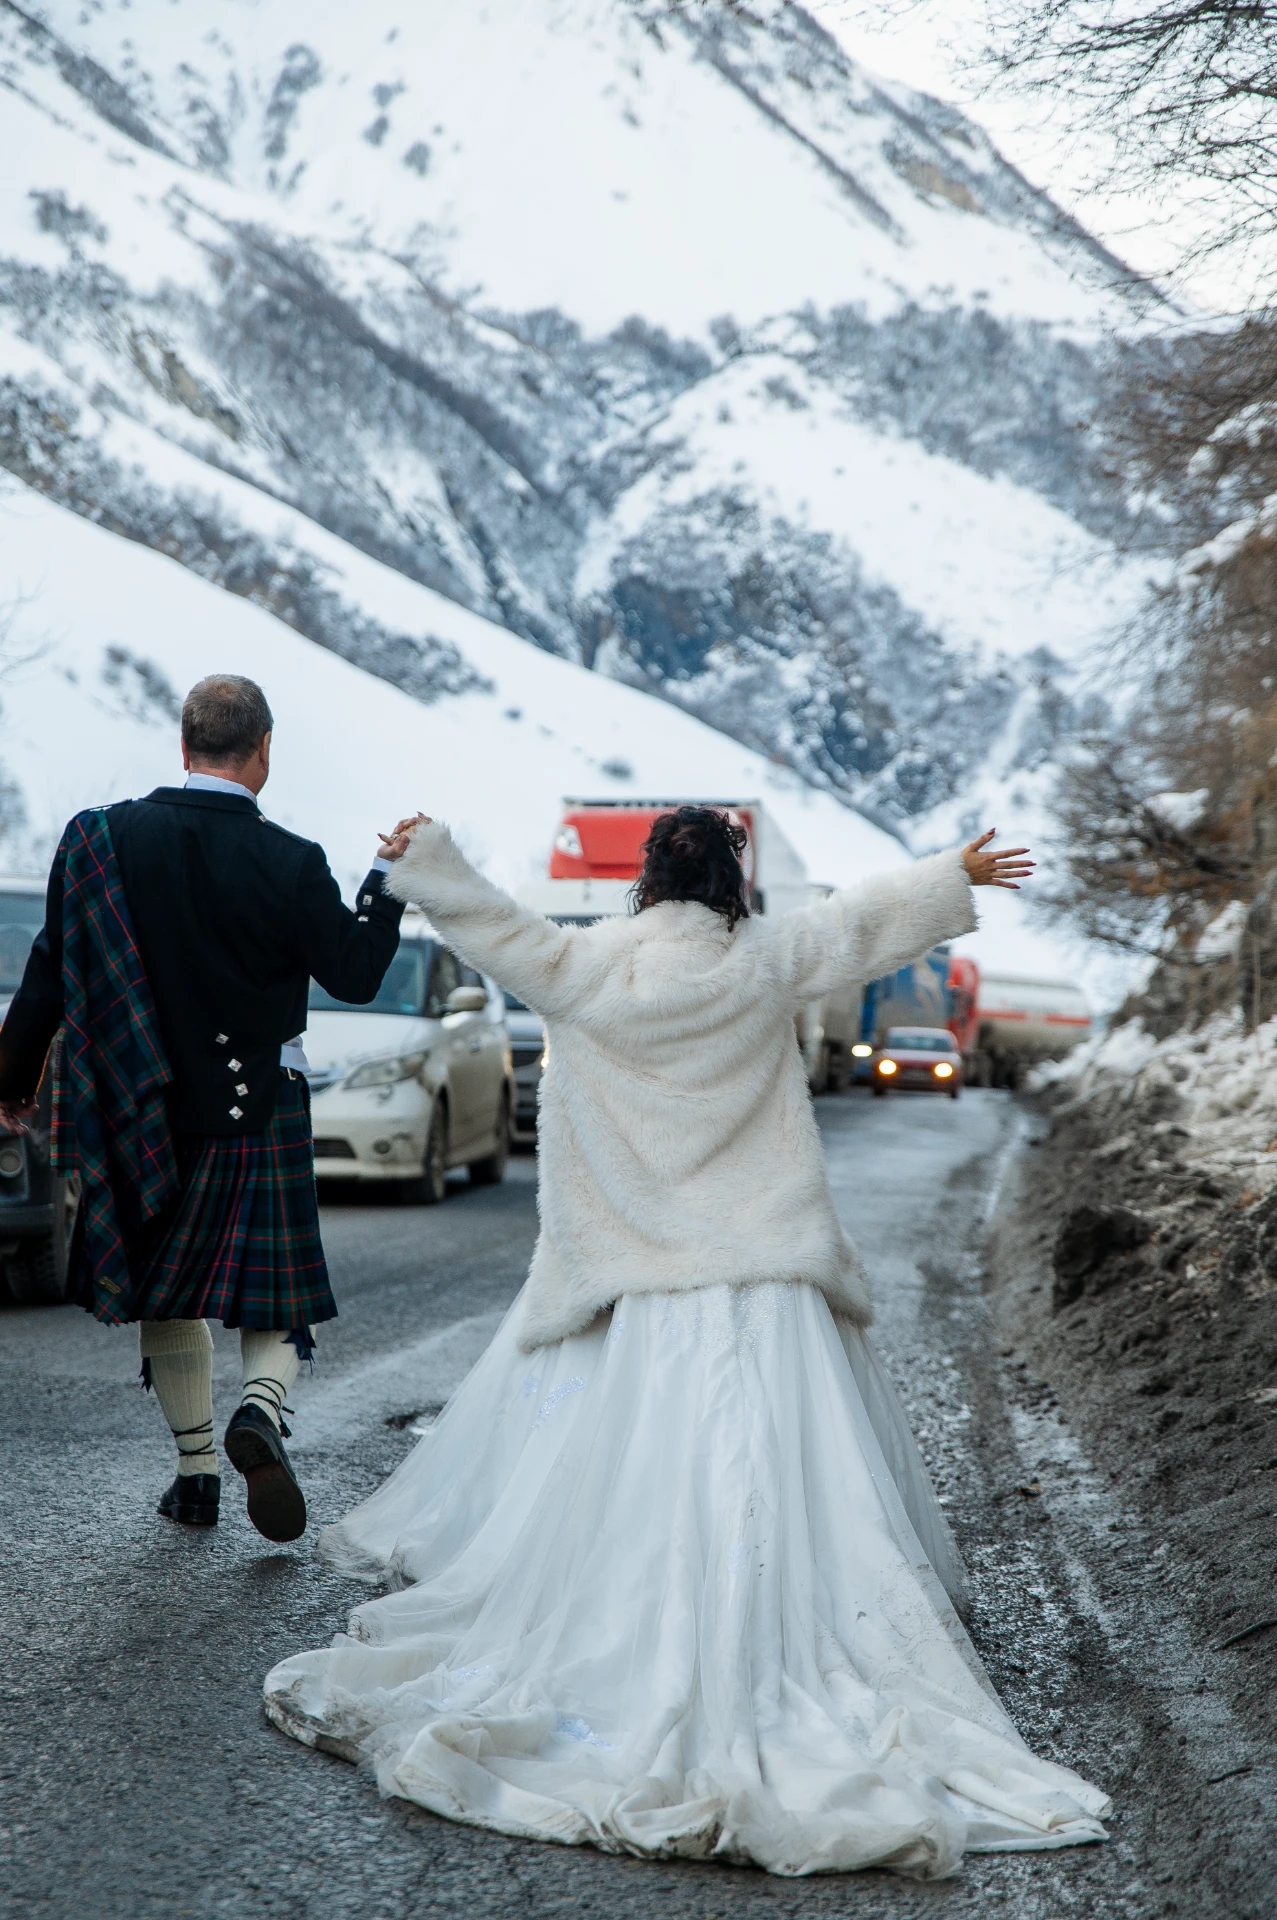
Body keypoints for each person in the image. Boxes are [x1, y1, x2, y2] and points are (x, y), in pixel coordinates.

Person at [264, 809, 1110, 1878]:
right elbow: (857, 925)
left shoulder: (582, 968)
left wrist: (423, 861)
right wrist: (954, 873)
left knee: (640, 1490)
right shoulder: (761, 961)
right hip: (766, 1281)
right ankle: (799, 1631)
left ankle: (655, 1631)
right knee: (794, 1489)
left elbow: (490, 924)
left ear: (644, 879)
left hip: (644, 1280)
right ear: (731, 883)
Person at [0, 675, 411, 1542]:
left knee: (167, 1294)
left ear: (183, 747)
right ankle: (259, 1411)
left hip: (139, 1111)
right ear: (263, 751)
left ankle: (194, 1476)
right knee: (273, 1297)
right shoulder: (292, 859)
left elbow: (52, 966)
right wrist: (387, 879)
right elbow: (358, 973)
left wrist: (13, 1079)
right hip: (258, 1107)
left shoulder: (100, 840)